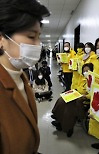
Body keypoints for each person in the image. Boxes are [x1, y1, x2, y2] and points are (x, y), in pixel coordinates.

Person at [0, 0, 50, 153]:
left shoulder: (21, 76)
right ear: (1, 39)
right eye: (31, 36)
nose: (38, 45)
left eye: (39, 37)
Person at [51, 63, 94, 137]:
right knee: (62, 99)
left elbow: (93, 94)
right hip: (76, 94)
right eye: (84, 71)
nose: (85, 72)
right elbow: (76, 86)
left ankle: (68, 127)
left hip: (83, 99)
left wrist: (86, 96)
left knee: (70, 106)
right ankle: (58, 118)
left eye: (87, 71)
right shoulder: (81, 77)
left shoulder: (93, 81)